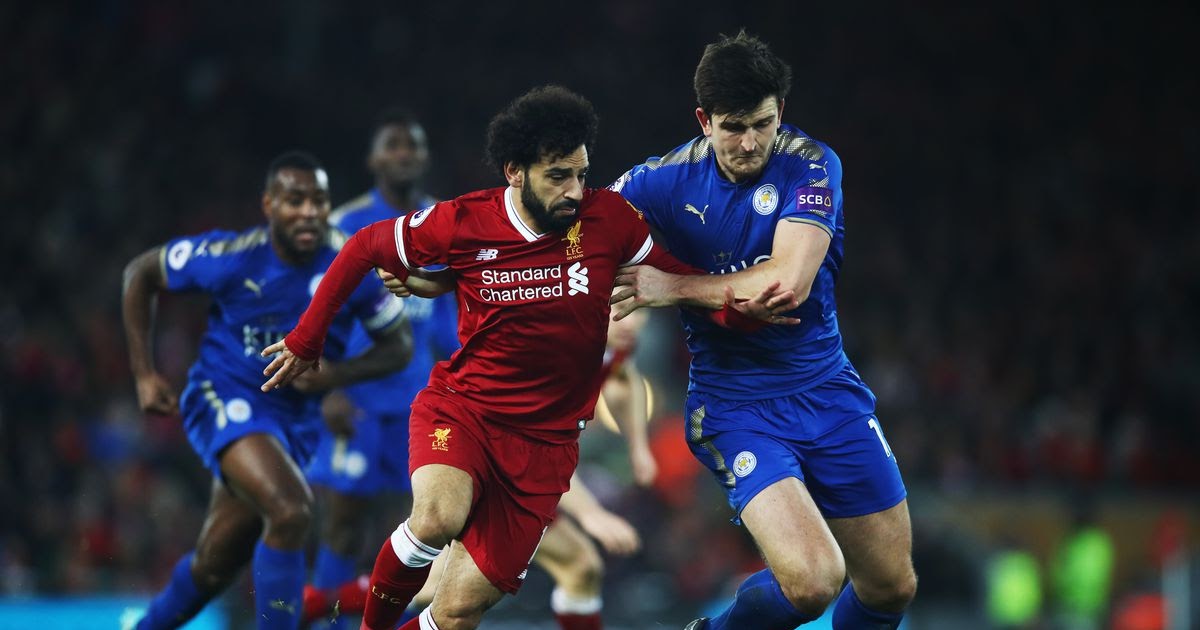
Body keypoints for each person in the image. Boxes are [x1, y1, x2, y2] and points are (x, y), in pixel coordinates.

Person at [259, 85, 794, 630]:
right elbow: (362, 247)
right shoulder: (464, 221)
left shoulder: (608, 220)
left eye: (581, 174)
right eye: (558, 176)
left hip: (545, 448)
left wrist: (741, 311)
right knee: (436, 518)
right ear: (515, 171)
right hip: (465, 411)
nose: (575, 191)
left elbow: (684, 285)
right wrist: (307, 340)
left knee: (457, 609)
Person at [609, 31, 919, 629]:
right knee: (814, 581)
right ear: (704, 120)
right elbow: (582, 233)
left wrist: (671, 286)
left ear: (781, 112)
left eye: (762, 123)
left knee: (890, 585)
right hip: (736, 406)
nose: (750, 142)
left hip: (828, 392)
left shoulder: (812, 164)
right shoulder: (662, 180)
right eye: (733, 127)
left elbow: (785, 284)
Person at [121, 151, 413, 630]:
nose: (309, 212)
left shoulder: (352, 264)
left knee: (215, 563)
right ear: (269, 205)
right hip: (226, 395)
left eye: (318, 201)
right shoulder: (231, 257)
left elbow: (399, 346)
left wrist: (336, 376)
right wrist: (144, 374)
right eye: (295, 201)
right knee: (291, 510)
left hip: (294, 423)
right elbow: (141, 274)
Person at [302, 110, 459, 627]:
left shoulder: (443, 222)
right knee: (342, 524)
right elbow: (318, 308)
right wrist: (327, 389)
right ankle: (327, 620)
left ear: (425, 157)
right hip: (358, 400)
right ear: (373, 159)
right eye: (393, 145)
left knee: (411, 530)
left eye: (413, 145)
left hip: (419, 403)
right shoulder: (344, 225)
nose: (404, 154)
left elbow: (447, 321)